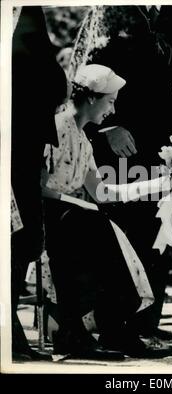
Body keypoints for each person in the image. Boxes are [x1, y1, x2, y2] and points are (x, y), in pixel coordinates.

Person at [83, 5, 172, 339]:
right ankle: (111, 325)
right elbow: (89, 69)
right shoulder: (111, 8)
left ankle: (144, 324)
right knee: (119, 231)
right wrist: (106, 129)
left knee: (157, 232)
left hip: (164, 146)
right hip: (118, 140)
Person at [42, 64, 172, 359]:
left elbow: (103, 192)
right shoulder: (56, 127)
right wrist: (78, 204)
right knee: (93, 222)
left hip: (75, 217)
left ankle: (115, 327)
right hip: (48, 215)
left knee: (102, 224)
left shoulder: (83, 139)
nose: (113, 111)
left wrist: (160, 185)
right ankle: (76, 332)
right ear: (92, 98)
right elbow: (37, 187)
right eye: (110, 101)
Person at [11, 6, 67, 361]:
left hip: (18, 160)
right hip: (21, 164)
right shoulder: (35, 57)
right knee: (22, 244)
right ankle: (12, 334)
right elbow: (58, 89)